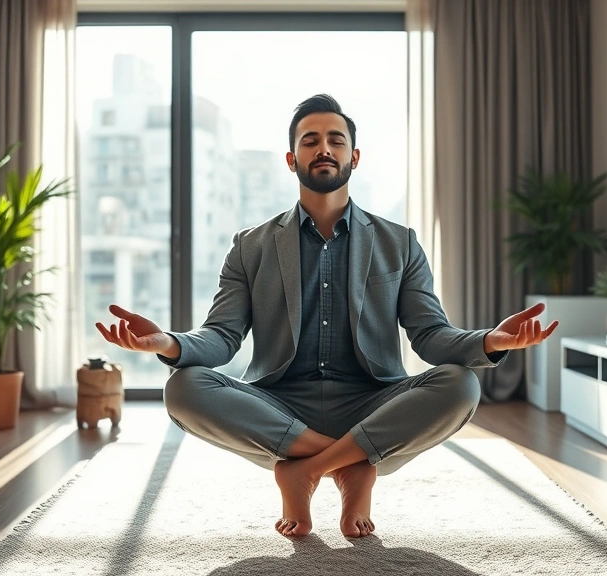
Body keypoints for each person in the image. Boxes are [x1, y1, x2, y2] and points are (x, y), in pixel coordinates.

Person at [96, 94, 558, 539]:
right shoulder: (249, 246)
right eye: (310, 140)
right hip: (279, 406)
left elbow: (431, 336)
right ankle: (353, 465)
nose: (323, 148)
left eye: (336, 140)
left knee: (461, 384)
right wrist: (167, 344)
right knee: (182, 386)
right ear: (291, 158)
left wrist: (491, 342)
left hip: (373, 401)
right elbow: (221, 336)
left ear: (354, 157)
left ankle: (308, 471)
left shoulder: (400, 242)